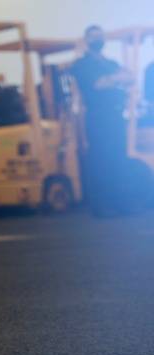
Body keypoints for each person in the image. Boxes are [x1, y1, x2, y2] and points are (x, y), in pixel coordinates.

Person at [70, 24, 134, 214]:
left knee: (118, 159)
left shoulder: (109, 62)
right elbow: (98, 84)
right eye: (93, 37)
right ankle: (101, 206)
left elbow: (130, 77)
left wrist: (112, 79)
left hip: (116, 116)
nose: (97, 40)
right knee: (101, 160)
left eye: (100, 36)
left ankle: (119, 204)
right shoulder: (82, 65)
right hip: (99, 117)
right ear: (87, 40)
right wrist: (117, 78)